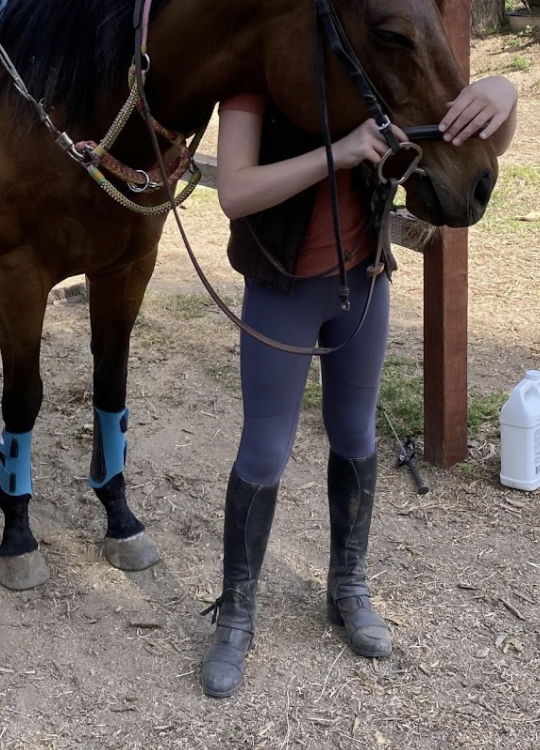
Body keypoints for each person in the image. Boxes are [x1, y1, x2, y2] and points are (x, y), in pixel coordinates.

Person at [200, 74, 519, 698]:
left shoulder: (368, 57)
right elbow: (234, 192)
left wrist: (505, 96)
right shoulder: (256, 70)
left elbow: (480, 140)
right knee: (265, 450)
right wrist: (340, 154)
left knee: (355, 432)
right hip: (281, 290)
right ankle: (236, 614)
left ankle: (347, 587)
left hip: (364, 280)